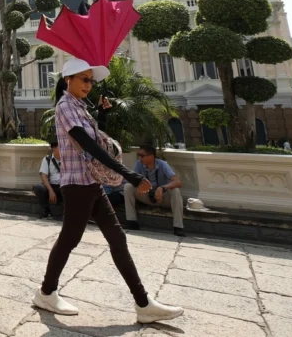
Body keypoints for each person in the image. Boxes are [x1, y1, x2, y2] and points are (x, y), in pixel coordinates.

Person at [33, 58, 183, 324]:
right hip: (78, 185)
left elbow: (97, 138)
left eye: (91, 80)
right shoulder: (66, 106)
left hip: (91, 183)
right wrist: (129, 174)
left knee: (117, 238)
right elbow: (88, 145)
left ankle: (143, 303)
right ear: (69, 80)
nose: (89, 85)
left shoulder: (80, 107)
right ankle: (46, 292)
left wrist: (102, 116)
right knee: (69, 240)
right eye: (84, 79)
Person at [125, 145, 185, 237]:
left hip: (162, 198)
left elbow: (178, 182)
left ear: (151, 156)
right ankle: (131, 222)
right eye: (138, 155)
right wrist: (139, 185)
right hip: (147, 196)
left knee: (175, 191)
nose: (139, 158)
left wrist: (162, 188)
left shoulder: (162, 164)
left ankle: (178, 227)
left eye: (142, 155)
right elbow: (132, 179)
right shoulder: (138, 164)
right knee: (128, 187)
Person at [33, 142, 61, 219]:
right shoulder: (47, 159)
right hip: (52, 185)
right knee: (38, 187)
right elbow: (43, 176)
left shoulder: (69, 159)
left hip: (64, 186)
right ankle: (46, 211)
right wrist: (51, 191)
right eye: (60, 146)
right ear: (54, 148)